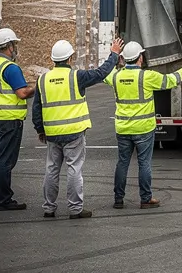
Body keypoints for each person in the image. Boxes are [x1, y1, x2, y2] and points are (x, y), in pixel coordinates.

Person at [33, 36, 124, 219]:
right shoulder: (77, 77)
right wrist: (113, 54)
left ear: (53, 60)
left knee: (51, 170)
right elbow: (101, 73)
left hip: (52, 133)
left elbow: (37, 108)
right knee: (74, 169)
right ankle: (75, 209)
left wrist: (40, 130)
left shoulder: (43, 80)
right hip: (74, 133)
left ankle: (49, 208)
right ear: (70, 58)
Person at [106, 42, 182, 210]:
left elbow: (103, 72)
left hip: (123, 128)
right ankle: (145, 199)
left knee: (122, 163)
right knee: (144, 164)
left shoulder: (115, 76)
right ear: (140, 58)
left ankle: (118, 199)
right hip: (144, 128)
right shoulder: (148, 76)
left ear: (123, 59)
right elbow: (171, 80)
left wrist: (113, 53)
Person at [0, 28, 36, 211]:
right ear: (9, 46)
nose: (16, 49)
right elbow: (21, 93)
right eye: (15, 45)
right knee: (5, 160)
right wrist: (37, 88)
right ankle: (3, 200)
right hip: (9, 120)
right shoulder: (10, 68)